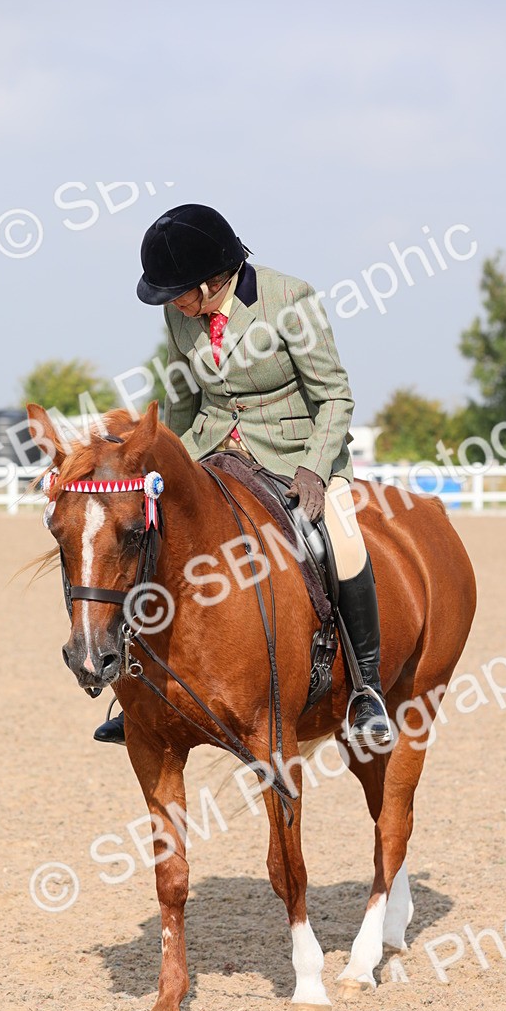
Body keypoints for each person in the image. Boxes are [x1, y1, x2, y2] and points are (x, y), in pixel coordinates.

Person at [94, 203, 391, 749]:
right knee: (148, 535)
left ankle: (366, 688)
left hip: (297, 454)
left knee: (342, 540)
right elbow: (182, 404)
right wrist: (157, 464)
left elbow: (334, 396)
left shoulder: (289, 299)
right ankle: (139, 684)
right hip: (210, 451)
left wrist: (315, 469)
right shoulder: (179, 314)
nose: (175, 306)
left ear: (214, 280)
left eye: (180, 294)